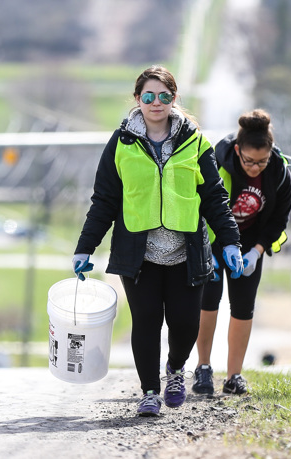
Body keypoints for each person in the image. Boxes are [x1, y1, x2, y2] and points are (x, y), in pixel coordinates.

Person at [72, 66, 243, 417]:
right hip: (139, 254)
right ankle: (150, 392)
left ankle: (176, 370)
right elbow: (104, 199)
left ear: (173, 99)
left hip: (187, 252)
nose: (156, 103)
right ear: (137, 99)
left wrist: (229, 241)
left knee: (185, 324)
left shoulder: (195, 142)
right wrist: (84, 247)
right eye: (148, 96)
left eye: (164, 96)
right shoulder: (121, 143)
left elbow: (214, 196)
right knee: (147, 321)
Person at [192, 109, 291, 396]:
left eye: (261, 162)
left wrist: (256, 253)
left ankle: (234, 375)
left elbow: (279, 219)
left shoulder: (279, 173)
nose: (254, 168)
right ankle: (203, 367)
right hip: (213, 240)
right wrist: (205, 249)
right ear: (238, 150)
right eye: (249, 161)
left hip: (249, 243)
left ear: (271, 153)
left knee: (243, 307)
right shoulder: (214, 162)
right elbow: (197, 207)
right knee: (208, 302)